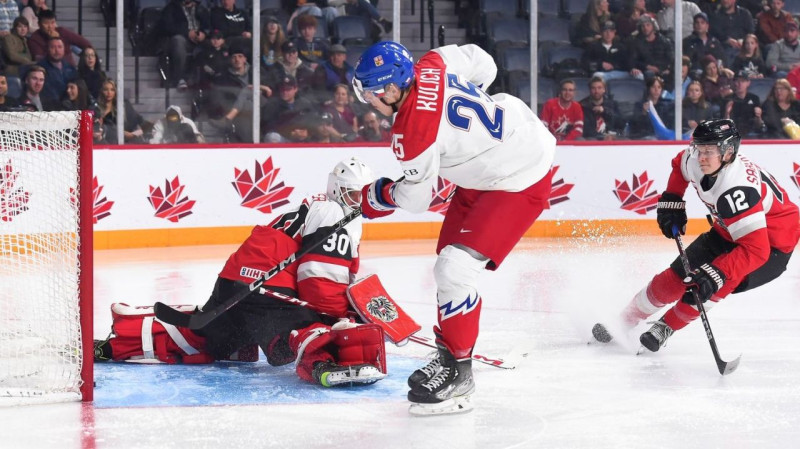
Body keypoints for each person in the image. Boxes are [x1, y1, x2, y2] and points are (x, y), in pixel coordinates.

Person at [351, 41, 555, 415]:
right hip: (503, 147)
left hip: (518, 176)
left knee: (455, 271)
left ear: (394, 89)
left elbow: (415, 199)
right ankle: (448, 355)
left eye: (372, 94)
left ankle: (460, 373)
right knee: (446, 265)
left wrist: (377, 196)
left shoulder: (411, 132)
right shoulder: (432, 62)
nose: (369, 102)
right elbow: (485, 63)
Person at [94, 157, 387, 388]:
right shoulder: (334, 214)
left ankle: (120, 339)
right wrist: (339, 317)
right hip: (266, 290)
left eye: (362, 196)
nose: (357, 203)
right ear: (336, 189)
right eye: (352, 195)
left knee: (204, 337)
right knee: (305, 327)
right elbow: (320, 282)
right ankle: (324, 363)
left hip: (237, 283)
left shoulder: (315, 207)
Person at [592, 119, 800, 353]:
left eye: (708, 151)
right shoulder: (696, 159)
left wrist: (718, 272)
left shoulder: (737, 189)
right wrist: (673, 199)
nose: (700, 156)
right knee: (671, 280)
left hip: (771, 248)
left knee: (708, 285)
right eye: (699, 148)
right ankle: (624, 320)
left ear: (728, 152)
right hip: (727, 231)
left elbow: (756, 250)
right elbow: (679, 164)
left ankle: (666, 327)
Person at [157, 0, 210, 91]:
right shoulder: (171, 8)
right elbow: (166, 27)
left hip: (200, 40)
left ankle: (209, 81)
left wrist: (204, 33)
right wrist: (187, 33)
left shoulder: (201, 9)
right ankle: (179, 79)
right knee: (178, 41)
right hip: (182, 39)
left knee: (214, 43)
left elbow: (209, 26)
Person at [27, 10, 92, 67]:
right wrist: (53, 39)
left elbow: (85, 43)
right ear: (39, 24)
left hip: (69, 69)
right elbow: (41, 60)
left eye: (52, 23)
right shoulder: (34, 38)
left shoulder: (62, 31)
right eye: (46, 23)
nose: (50, 27)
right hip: (48, 71)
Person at [95, 79, 146, 144]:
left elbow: (143, 124)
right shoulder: (96, 108)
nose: (109, 93)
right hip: (104, 143)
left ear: (115, 91)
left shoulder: (124, 106)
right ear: (102, 91)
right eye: (106, 89)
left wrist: (132, 134)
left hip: (124, 143)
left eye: (112, 90)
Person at [628, 15, 674, 81]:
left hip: (663, 71)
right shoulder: (636, 42)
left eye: (648, 25)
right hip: (644, 72)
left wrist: (668, 69)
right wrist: (647, 66)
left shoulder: (664, 41)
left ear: (653, 26)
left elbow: (671, 59)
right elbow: (633, 60)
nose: (645, 28)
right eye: (643, 26)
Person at [683, 12, 728, 76]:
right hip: (694, 75)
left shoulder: (714, 42)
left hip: (713, 74)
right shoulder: (687, 42)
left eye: (702, 22)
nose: (699, 25)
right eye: (697, 22)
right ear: (693, 25)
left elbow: (722, 59)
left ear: (707, 26)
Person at [723, 71, 766, 136]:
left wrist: (758, 116)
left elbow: (759, 125)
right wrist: (727, 113)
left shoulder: (754, 98)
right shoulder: (727, 99)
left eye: (743, 81)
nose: (740, 84)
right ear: (734, 83)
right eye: (737, 81)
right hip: (733, 134)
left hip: (751, 134)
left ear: (748, 83)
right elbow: (724, 126)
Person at [39, 36, 77, 103]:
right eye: (53, 47)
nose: (57, 50)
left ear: (64, 49)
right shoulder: (40, 69)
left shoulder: (70, 68)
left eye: (59, 47)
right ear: (47, 49)